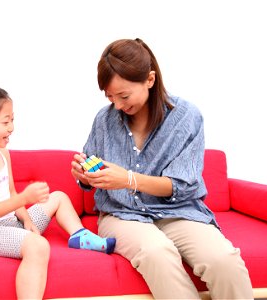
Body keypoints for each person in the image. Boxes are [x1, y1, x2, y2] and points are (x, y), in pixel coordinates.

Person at [71, 38, 253, 299]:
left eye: (123, 96)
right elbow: (93, 166)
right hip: (121, 214)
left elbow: (181, 185)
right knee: (157, 252)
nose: (118, 105)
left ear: (150, 79)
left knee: (224, 261)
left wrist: (129, 179)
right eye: (110, 97)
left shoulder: (186, 116)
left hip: (178, 211)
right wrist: (85, 176)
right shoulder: (105, 118)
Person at [0, 82, 115, 300]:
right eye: (5, 122)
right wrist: (24, 199)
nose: (11, 127)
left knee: (58, 197)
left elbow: (11, 193)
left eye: (12, 119)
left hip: (11, 221)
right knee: (38, 246)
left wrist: (28, 221)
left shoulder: (3, 153)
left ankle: (80, 236)